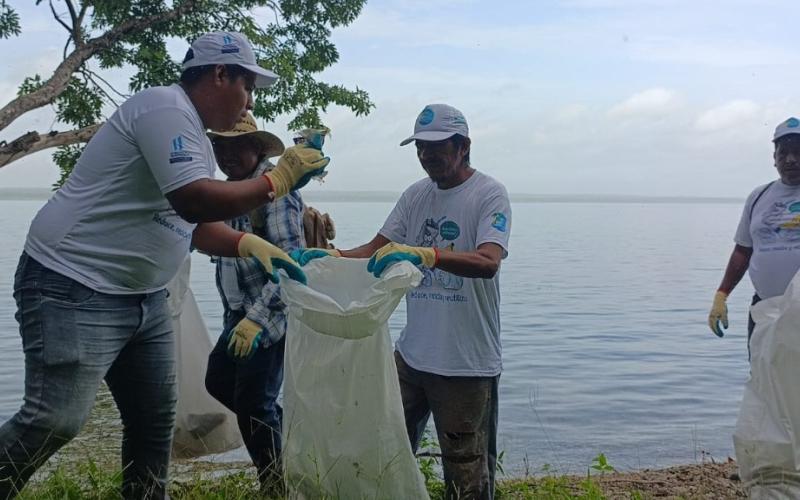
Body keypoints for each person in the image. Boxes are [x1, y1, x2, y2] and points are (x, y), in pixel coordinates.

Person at [0, 31, 329, 500]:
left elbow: (188, 226)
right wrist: (278, 180)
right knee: (54, 419)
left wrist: (250, 245)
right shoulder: (164, 108)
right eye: (247, 86)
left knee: (153, 423)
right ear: (220, 73)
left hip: (145, 298)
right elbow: (193, 201)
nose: (249, 100)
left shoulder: (191, 135)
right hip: (74, 282)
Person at [295, 104, 512, 499]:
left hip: (466, 366)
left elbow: (488, 261)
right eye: (420, 148)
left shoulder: (488, 194)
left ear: (462, 146)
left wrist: (427, 254)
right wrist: (331, 257)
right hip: (411, 359)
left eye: (435, 147)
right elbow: (377, 249)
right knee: (385, 453)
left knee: (467, 475)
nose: (426, 156)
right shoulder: (415, 195)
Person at [203, 113, 306, 493]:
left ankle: (275, 485)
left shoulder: (275, 193)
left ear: (257, 148)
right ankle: (283, 450)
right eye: (219, 146)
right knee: (219, 381)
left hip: (269, 313)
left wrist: (258, 322)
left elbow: (289, 264)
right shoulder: (230, 191)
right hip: (238, 312)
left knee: (254, 402)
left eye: (235, 145)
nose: (225, 154)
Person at [708, 117, 800, 348]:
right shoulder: (759, 196)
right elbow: (743, 250)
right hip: (765, 310)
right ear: (774, 158)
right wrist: (722, 294)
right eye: (783, 153)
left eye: (798, 152)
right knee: (763, 379)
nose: (791, 160)